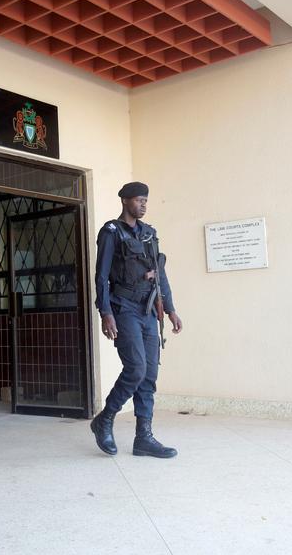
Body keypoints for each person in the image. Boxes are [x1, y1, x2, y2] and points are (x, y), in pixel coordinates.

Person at [90, 181, 183, 459]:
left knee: (149, 375)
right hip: (124, 308)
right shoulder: (111, 232)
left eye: (146, 200)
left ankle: (144, 438)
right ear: (125, 201)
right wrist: (106, 312)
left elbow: (160, 273)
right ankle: (105, 419)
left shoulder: (149, 234)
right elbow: (101, 276)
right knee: (136, 368)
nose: (143, 205)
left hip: (147, 310)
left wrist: (170, 308)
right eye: (139, 200)